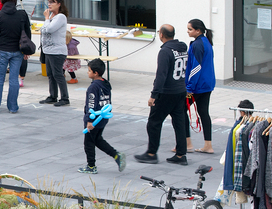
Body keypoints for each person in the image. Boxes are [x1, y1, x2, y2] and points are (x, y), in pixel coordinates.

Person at [135, 24, 189, 165]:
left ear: (161, 35)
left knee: (154, 123)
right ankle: (181, 155)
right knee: (180, 124)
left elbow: (161, 75)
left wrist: (154, 95)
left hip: (166, 92)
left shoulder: (165, 51)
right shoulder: (182, 49)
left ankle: (151, 153)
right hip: (180, 90)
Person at [0, 0, 31, 114]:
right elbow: (28, 33)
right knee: (14, 79)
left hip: (3, 50)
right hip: (18, 51)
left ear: (3, 1)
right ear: (15, 1)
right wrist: (27, 51)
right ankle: (13, 107)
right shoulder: (22, 14)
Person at [79, 58, 125, 174]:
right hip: (103, 118)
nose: (87, 72)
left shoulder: (93, 87)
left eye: (89, 70)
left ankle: (91, 166)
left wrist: (89, 120)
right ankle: (116, 155)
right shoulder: (105, 84)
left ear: (96, 73)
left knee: (89, 143)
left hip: (94, 120)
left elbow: (91, 104)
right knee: (98, 139)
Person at [184, 18, 216, 154]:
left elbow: (195, 68)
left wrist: (189, 89)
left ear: (198, 30)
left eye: (190, 29)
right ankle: (208, 145)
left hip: (197, 86)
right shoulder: (206, 42)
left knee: (180, 111)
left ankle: (187, 143)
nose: (188, 31)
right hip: (207, 84)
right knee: (204, 113)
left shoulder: (197, 45)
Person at [38, 0, 70, 107]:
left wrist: (46, 19)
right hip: (48, 50)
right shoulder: (52, 17)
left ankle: (65, 98)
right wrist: (47, 20)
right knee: (50, 75)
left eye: (52, 2)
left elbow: (49, 29)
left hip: (57, 51)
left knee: (58, 74)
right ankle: (53, 96)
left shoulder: (61, 17)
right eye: (49, 2)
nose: (49, 4)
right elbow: (43, 29)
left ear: (59, 4)